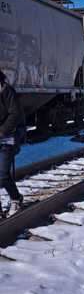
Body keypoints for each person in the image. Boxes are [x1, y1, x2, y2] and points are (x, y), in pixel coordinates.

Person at [0, 69, 25, 218]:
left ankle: (16, 198)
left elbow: (15, 113)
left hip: (7, 138)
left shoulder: (6, 91)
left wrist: (2, 131)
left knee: (2, 175)